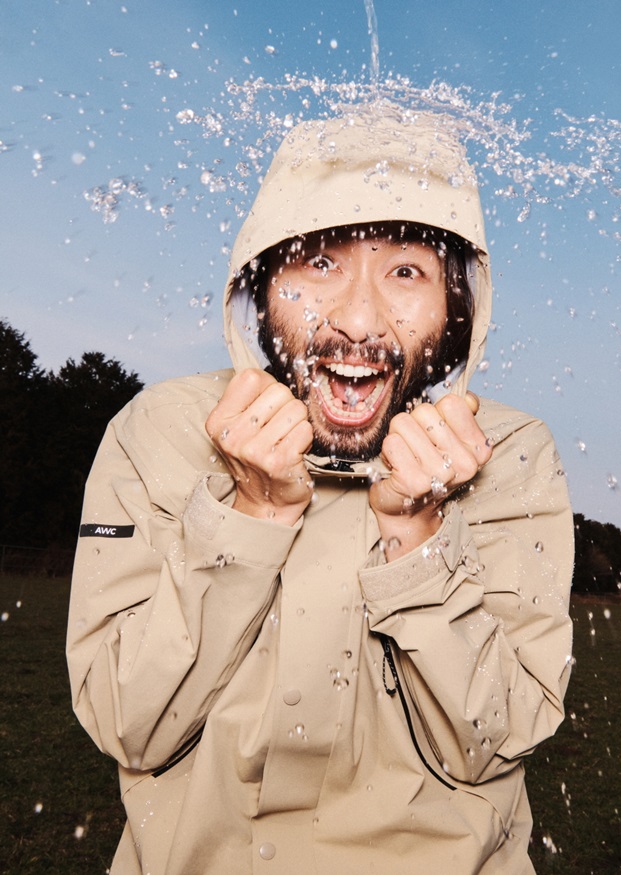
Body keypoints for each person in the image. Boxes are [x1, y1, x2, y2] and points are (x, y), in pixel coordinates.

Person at [67, 104, 573, 874]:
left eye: (406, 271)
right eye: (319, 262)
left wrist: (419, 539)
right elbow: (126, 722)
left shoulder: (509, 452)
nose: (359, 319)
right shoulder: (160, 430)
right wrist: (252, 516)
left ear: (456, 307)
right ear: (263, 283)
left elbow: (495, 741)